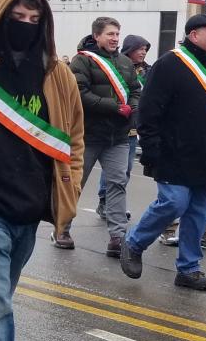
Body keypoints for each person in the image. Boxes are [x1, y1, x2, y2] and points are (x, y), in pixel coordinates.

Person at [0, 0, 84, 341]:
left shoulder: (57, 74)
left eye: (33, 18)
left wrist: (72, 186)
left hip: (30, 209)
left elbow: (75, 136)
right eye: (16, 16)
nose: (25, 24)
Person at [120, 14, 206, 291]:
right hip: (174, 154)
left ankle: (188, 269)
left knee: (200, 213)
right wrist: (151, 150)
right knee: (174, 203)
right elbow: (149, 112)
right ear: (193, 35)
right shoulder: (169, 64)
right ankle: (134, 243)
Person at [55, 18, 141, 256]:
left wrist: (131, 108)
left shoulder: (125, 62)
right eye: (110, 34)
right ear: (97, 36)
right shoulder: (82, 61)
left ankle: (117, 236)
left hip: (118, 136)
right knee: (74, 184)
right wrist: (113, 107)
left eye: (117, 34)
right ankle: (62, 228)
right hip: (88, 135)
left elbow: (135, 90)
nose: (115, 38)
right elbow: (79, 94)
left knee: (117, 184)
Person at [97, 34, 151, 219]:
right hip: (115, 123)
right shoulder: (118, 67)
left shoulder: (147, 71)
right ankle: (104, 201)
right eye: (140, 49)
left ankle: (114, 205)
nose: (143, 52)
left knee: (125, 169)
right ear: (130, 49)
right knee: (112, 169)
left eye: (145, 49)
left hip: (134, 125)